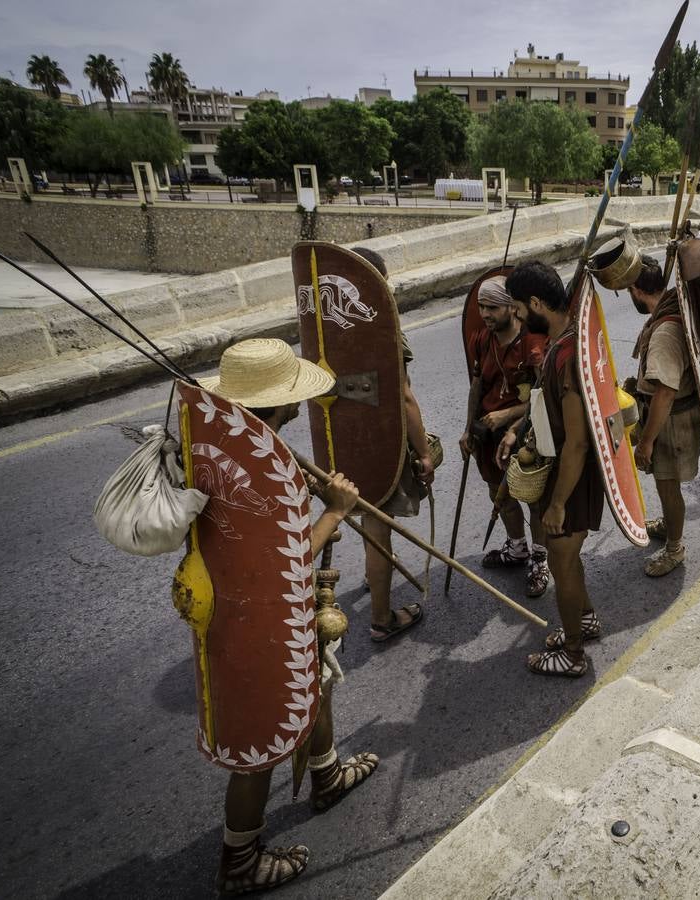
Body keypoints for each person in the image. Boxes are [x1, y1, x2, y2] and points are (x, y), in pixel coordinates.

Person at [198, 338, 378, 894]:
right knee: (260, 739)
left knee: (317, 682)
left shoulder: (220, 447)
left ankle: (324, 774)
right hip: (262, 617)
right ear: (280, 404)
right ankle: (240, 859)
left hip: (248, 612)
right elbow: (289, 560)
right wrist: (335, 510)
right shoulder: (254, 473)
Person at [499, 261, 605, 678]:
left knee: (562, 564)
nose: (519, 319)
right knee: (569, 556)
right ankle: (587, 619)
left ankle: (574, 653)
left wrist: (558, 502)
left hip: (571, 476)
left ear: (537, 303)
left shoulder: (567, 356)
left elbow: (577, 439)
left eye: (521, 310)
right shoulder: (566, 340)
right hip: (565, 469)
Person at [350, 247, 436, 643]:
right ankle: (382, 619)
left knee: (370, 521)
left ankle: (375, 578)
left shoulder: (333, 325)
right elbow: (403, 396)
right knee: (378, 528)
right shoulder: (382, 326)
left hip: (347, 443)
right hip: (380, 441)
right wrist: (423, 453)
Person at [461, 275, 551, 597]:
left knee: (534, 498)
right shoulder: (481, 339)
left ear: (512, 308)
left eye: (493, 307)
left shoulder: (533, 344)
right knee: (499, 495)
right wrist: (469, 426)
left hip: (525, 433)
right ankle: (517, 548)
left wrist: (509, 416)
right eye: (482, 307)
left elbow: (542, 396)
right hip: (488, 432)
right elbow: (477, 385)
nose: (485, 314)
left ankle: (540, 558)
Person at [625, 255, 700, 577]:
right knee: (663, 485)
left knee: (668, 487)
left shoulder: (664, 332)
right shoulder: (670, 306)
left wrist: (645, 443)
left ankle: (674, 549)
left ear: (636, 289)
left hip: (672, 422)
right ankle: (669, 526)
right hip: (670, 415)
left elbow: (665, 392)